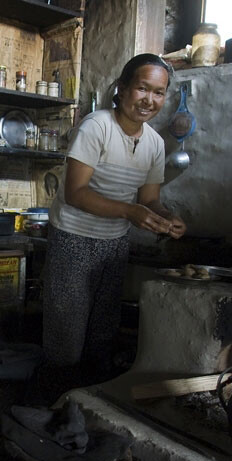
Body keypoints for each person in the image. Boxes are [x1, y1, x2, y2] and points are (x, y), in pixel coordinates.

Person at [40, 53, 186, 390]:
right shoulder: (97, 126)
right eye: (142, 88)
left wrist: (167, 218)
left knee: (102, 330)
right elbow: (76, 193)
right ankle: (51, 405)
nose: (149, 100)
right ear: (122, 89)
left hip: (114, 245)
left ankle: (88, 407)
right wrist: (129, 211)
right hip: (73, 238)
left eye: (159, 92)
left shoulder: (154, 144)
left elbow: (149, 201)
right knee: (66, 332)